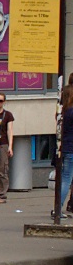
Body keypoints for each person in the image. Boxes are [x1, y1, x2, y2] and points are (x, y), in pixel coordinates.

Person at [56, 85, 73, 219]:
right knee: (67, 179)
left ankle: (58, 207)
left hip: (66, 147)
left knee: (65, 178)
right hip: (71, 148)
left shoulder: (63, 112)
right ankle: (58, 208)